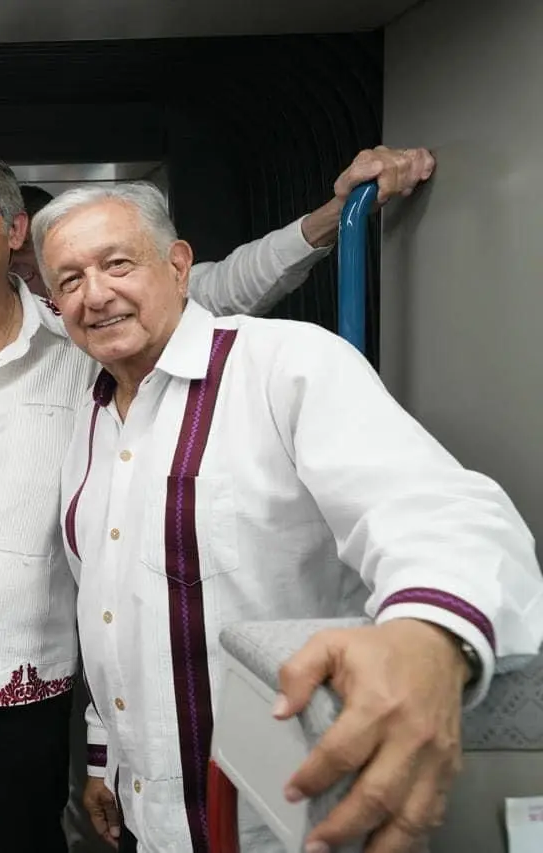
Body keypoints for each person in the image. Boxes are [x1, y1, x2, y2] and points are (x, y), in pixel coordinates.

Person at [0, 143, 436, 853]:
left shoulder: (83, 341)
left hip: (20, 666)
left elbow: (219, 289)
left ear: (13, 229)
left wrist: (333, 216)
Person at [35, 182, 543, 853]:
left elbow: (437, 507)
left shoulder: (285, 364)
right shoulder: (91, 418)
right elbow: (108, 613)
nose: (94, 294)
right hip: (148, 818)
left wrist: (428, 635)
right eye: (69, 279)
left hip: (287, 816)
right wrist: (106, 762)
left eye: (117, 264)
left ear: (180, 263)